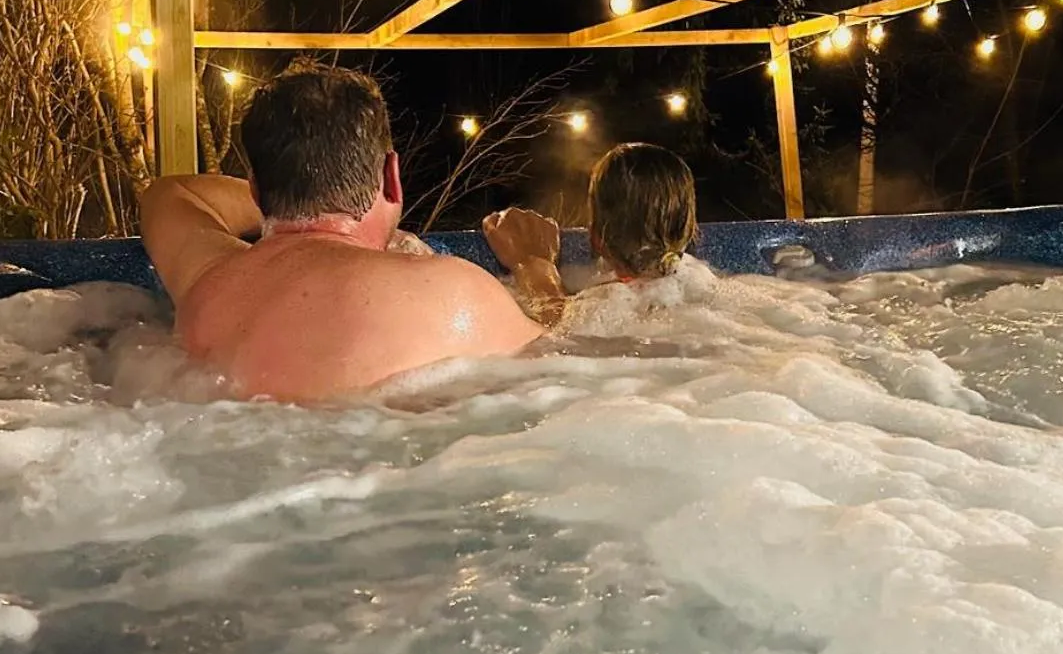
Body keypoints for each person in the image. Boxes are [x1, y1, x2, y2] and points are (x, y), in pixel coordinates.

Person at [140, 64, 541, 402]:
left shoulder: (206, 281)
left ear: (256, 190)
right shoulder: (452, 294)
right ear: (392, 176)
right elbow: (559, 352)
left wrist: (293, 200)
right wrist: (535, 266)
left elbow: (170, 193)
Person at [484, 142, 699, 326]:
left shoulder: (606, 307)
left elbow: (559, 328)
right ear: (689, 230)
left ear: (597, 237)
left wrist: (531, 263)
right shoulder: (701, 286)